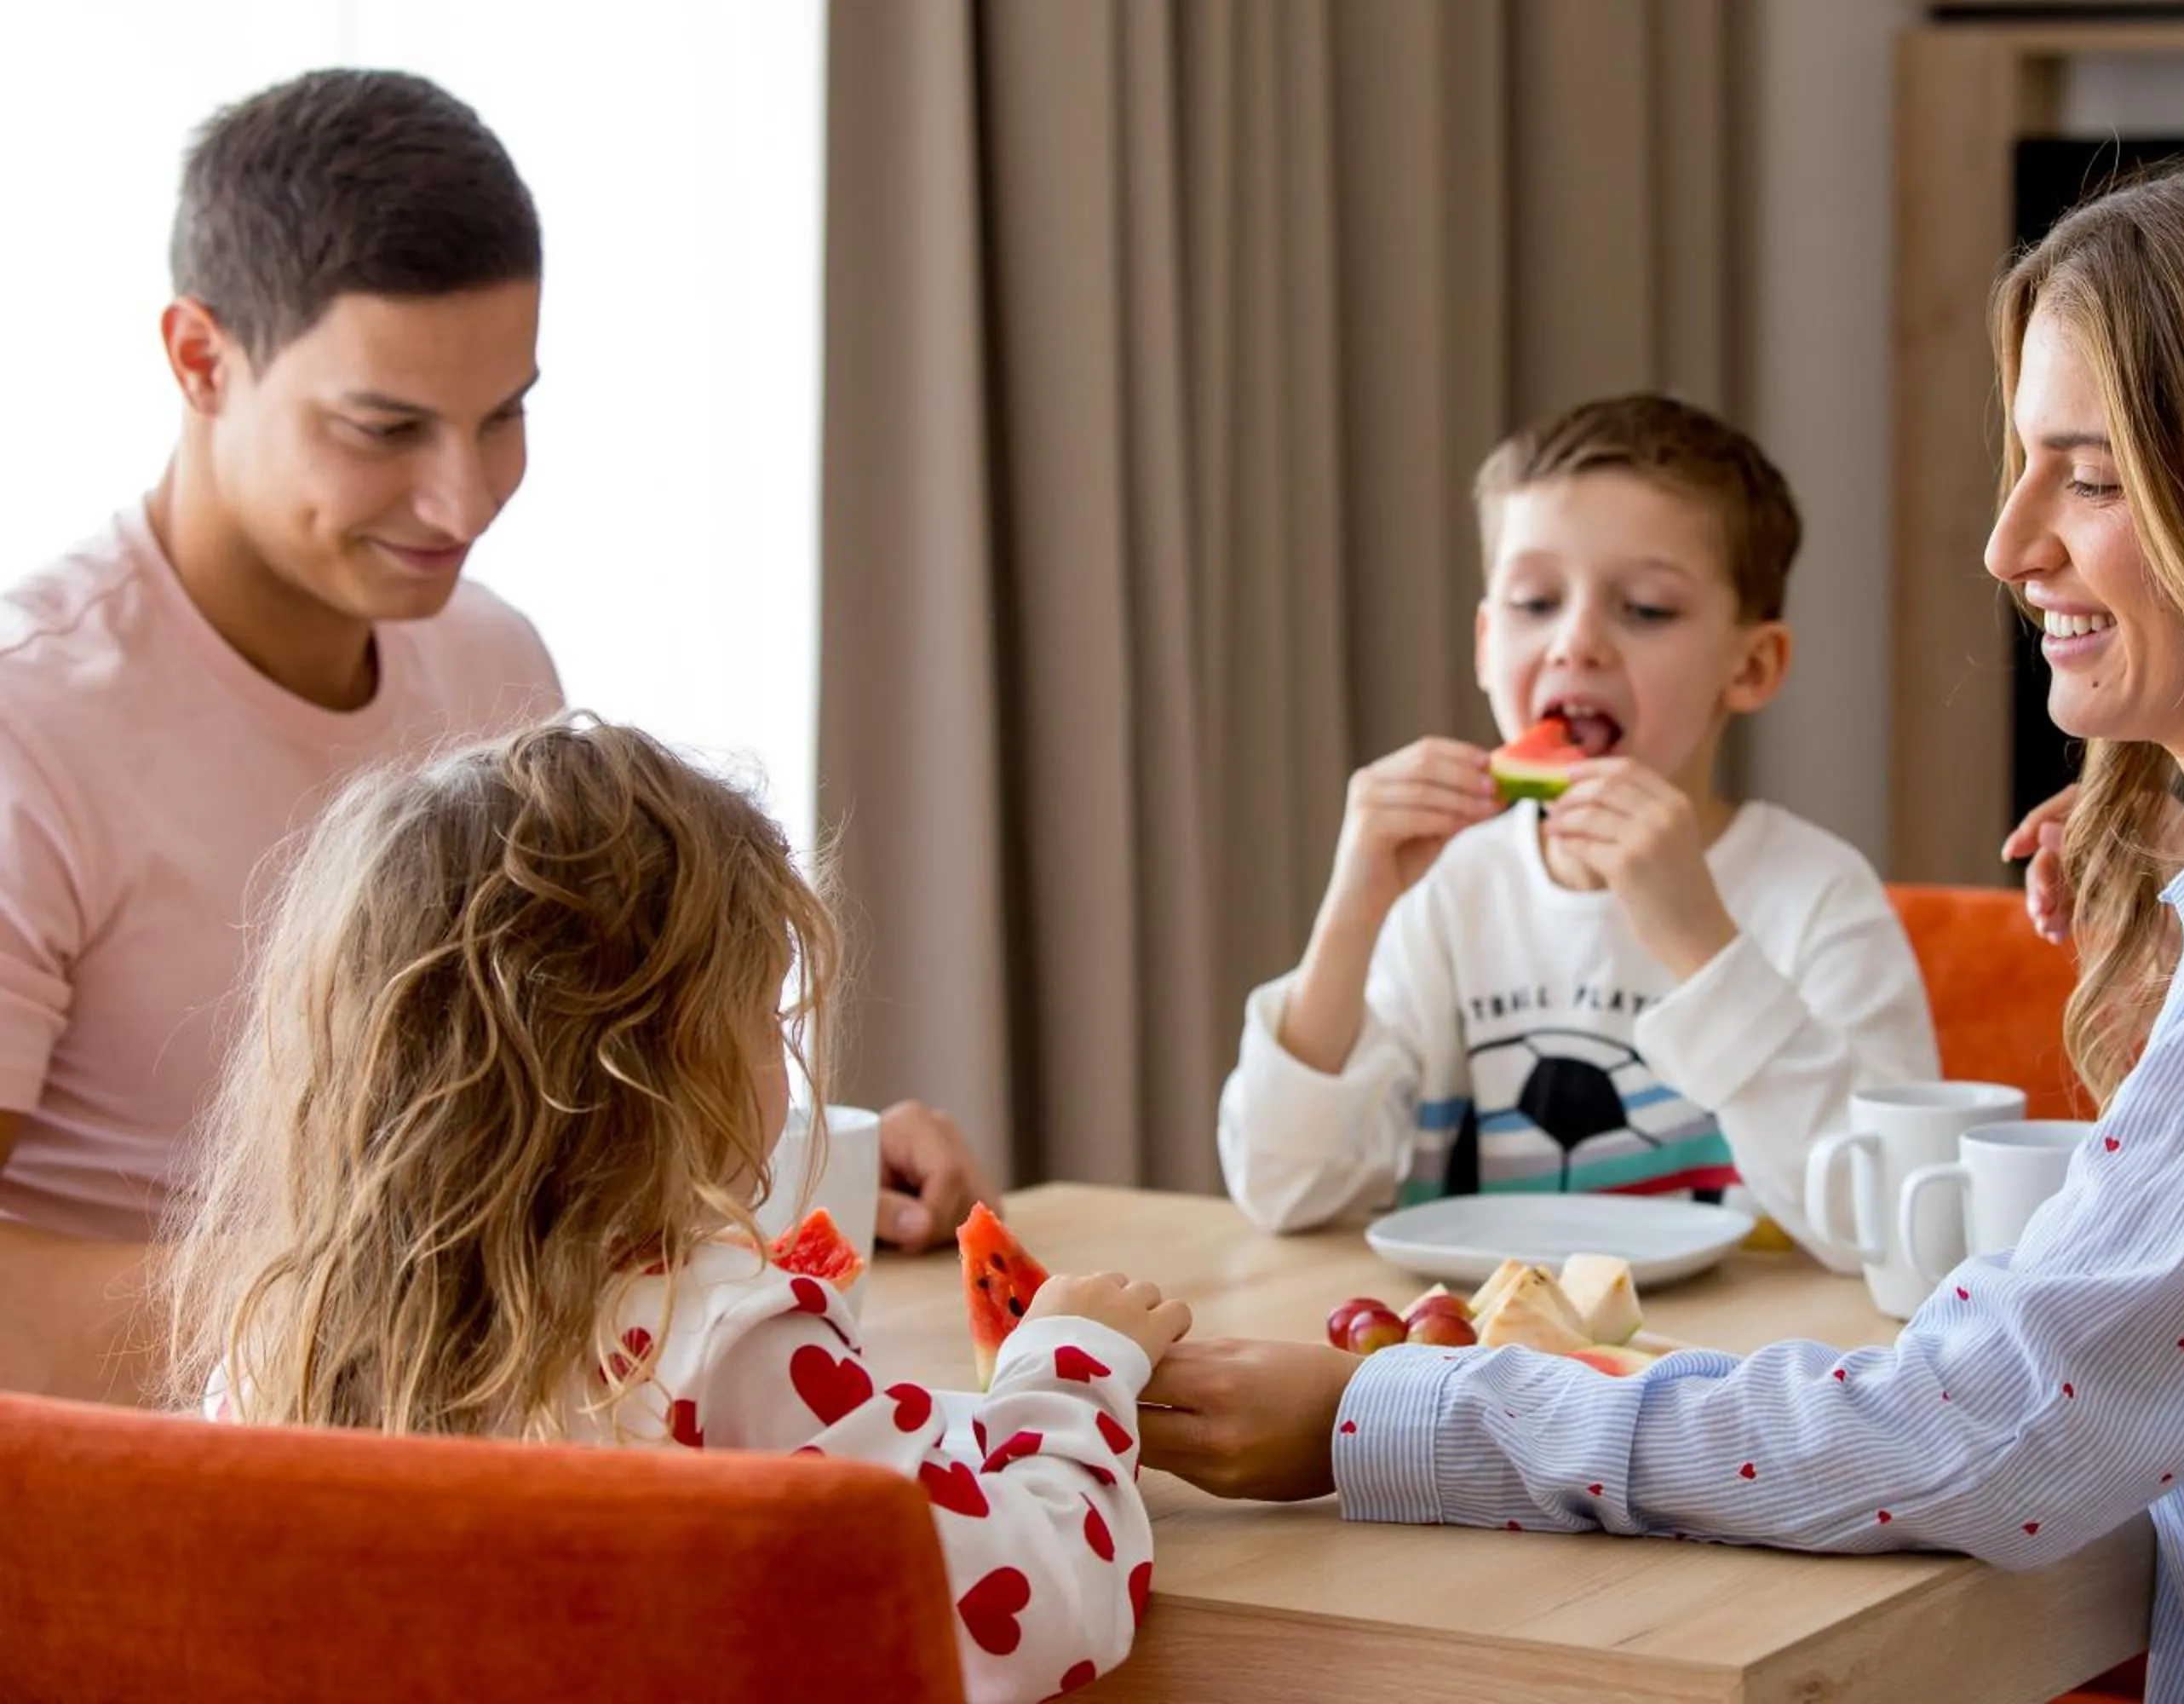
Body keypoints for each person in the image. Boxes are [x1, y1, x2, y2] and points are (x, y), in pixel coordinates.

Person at [1142, 146, 2184, 1701]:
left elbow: (1981, 1431)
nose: (2008, 548)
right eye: (2025, 467)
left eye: (2089, 479)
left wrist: (1387, 1414)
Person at [0, 70, 989, 1402]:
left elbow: (535, 1096)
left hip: (456, 1457)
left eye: (505, 413)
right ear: (199, 358)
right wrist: (400, 1274)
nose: (463, 498)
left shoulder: (488, 656)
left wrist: (790, 1161)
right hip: (167, 1509)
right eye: (384, 428)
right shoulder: (34, 726)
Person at [163, 718, 1179, 1704]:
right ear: (662, 1061)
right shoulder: (731, 1333)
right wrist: (1070, 1369)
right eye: (764, 1015)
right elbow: (1036, 1612)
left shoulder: (278, 1337)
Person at [1216, 394, 1937, 1269]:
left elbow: (1893, 1225)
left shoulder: (1816, 895)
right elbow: (1283, 1189)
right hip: (1471, 1364)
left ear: (1751, 665)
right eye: (1534, 600)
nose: (1577, 642)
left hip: (1730, 1373)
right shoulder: (1452, 889)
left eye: (1645, 608)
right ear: (1486, 644)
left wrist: (1700, 941)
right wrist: (1352, 912)